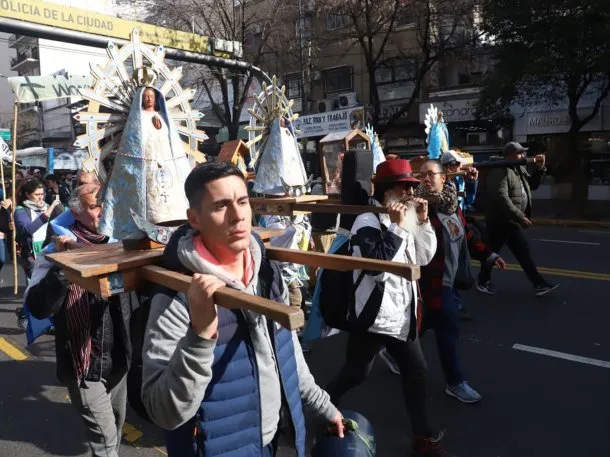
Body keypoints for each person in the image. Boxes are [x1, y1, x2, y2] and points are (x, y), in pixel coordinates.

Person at [141, 162, 343, 457]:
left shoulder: (268, 275)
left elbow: (289, 358)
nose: (237, 216)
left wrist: (324, 408)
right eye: (221, 206)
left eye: (242, 201)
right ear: (194, 219)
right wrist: (200, 337)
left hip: (269, 440)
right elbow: (163, 412)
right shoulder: (177, 296)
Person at [325, 159, 455, 457]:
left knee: (417, 372)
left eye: (412, 187)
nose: (411, 192)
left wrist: (421, 222)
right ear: (387, 191)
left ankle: (423, 436)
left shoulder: (406, 217)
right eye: (404, 187)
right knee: (356, 373)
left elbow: (422, 258)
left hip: (401, 317)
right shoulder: (367, 221)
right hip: (373, 319)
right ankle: (319, 405)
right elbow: (375, 269)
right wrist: (396, 228)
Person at [24, 183, 138, 457]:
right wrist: (63, 268)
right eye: (95, 206)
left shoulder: (123, 241)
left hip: (119, 361)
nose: (104, 210)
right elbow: (37, 307)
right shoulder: (57, 250)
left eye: (106, 203)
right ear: (77, 212)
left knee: (114, 433)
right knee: (106, 443)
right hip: (84, 364)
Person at [416, 161, 505, 404]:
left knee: (420, 327)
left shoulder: (450, 206)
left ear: (443, 178)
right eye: (421, 174)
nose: (425, 178)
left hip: (450, 280)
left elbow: (464, 234)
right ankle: (455, 382)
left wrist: (488, 254)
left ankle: (391, 349)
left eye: (430, 174)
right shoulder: (418, 207)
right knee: (448, 330)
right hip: (430, 283)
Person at [477, 142, 559, 297]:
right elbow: (500, 197)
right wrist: (520, 216)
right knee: (493, 253)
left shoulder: (518, 169)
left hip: (510, 221)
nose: (523, 156)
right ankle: (482, 280)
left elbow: (532, 185)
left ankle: (538, 284)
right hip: (500, 220)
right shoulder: (500, 169)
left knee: (519, 252)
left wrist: (540, 168)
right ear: (509, 155)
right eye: (520, 153)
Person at [440, 150, 479, 321]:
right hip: (446, 228)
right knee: (449, 265)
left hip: (459, 224)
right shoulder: (439, 184)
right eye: (455, 165)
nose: (459, 168)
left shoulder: (458, 181)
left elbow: (469, 200)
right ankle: (454, 303)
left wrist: (472, 181)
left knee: (460, 261)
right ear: (447, 167)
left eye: (459, 164)